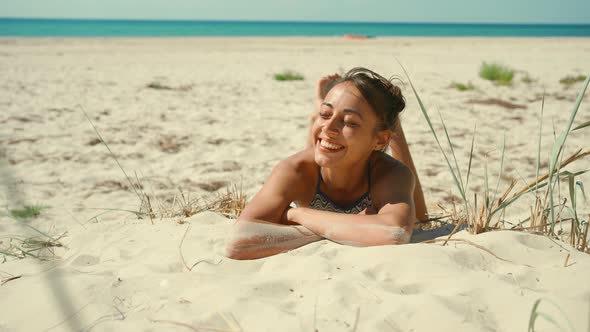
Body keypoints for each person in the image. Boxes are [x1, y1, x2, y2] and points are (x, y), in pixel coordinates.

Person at [225, 67, 427, 260]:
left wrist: (297, 213)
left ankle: (391, 127)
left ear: (381, 141)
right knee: (320, 149)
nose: (329, 126)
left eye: (349, 122)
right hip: (321, 167)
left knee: (420, 219)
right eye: (325, 114)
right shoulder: (295, 169)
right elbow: (238, 242)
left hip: (377, 150)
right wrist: (351, 229)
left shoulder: (390, 174)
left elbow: (394, 233)